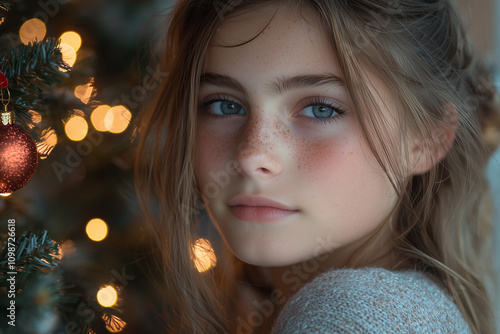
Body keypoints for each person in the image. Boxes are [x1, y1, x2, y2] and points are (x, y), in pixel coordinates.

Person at [134, 0, 500, 333]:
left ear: (427, 137)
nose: (250, 155)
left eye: (321, 109)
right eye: (224, 105)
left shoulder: (349, 317)